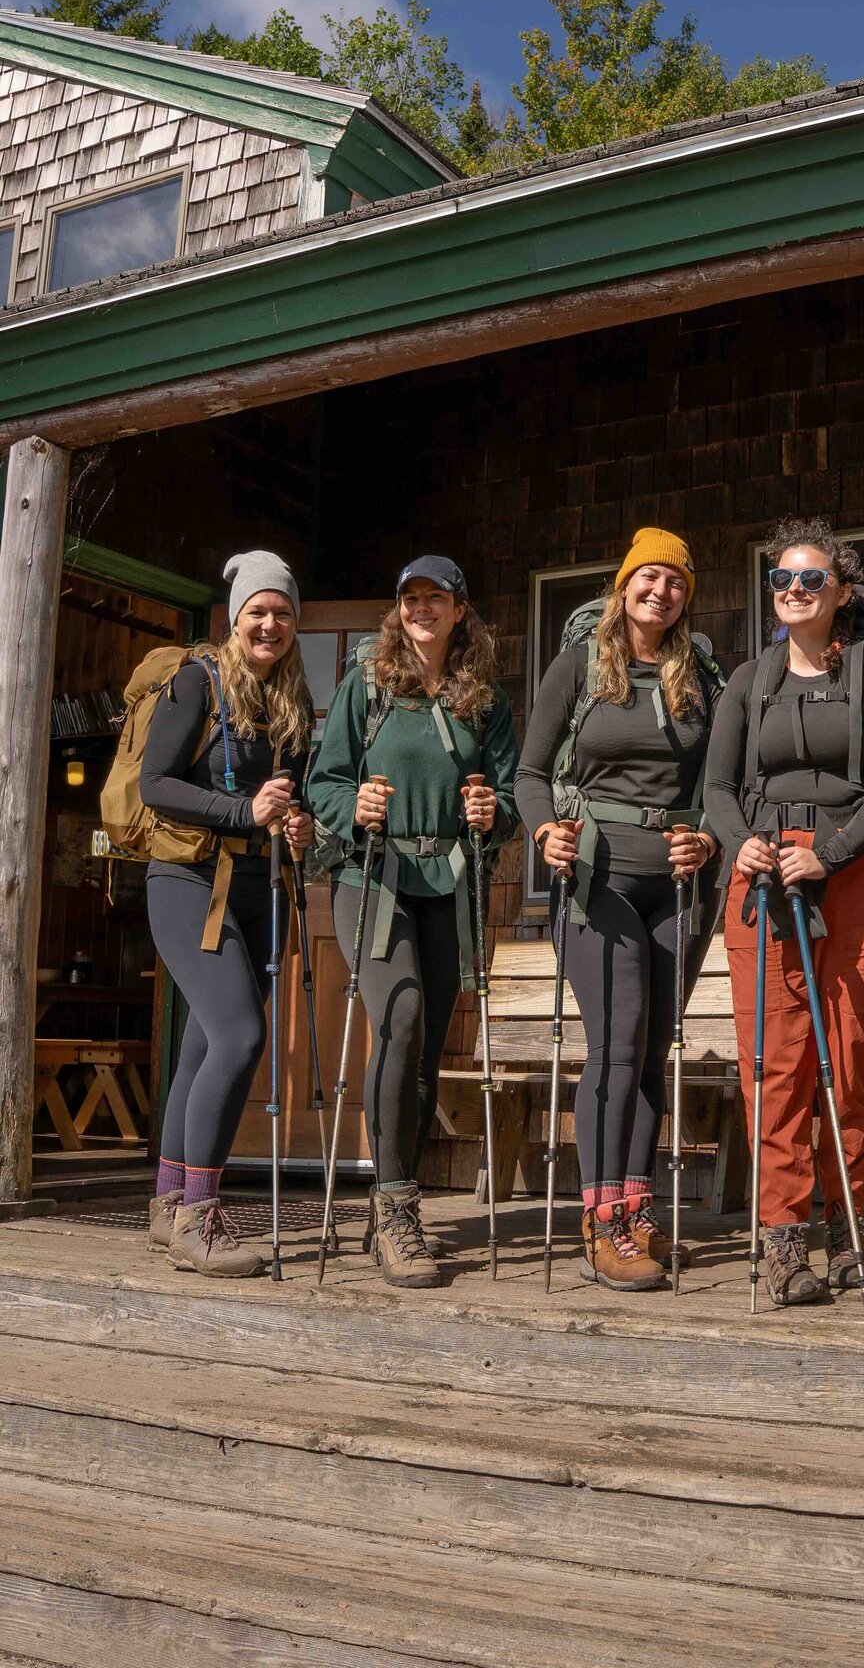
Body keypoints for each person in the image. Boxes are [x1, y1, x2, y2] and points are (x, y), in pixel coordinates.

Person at [705, 517, 864, 1307]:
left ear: (841, 592)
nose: (794, 591)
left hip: (854, 876)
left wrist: (827, 853)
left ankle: (846, 1228)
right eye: (782, 580)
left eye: (810, 580)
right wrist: (743, 845)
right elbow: (719, 789)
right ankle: (782, 1242)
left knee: (848, 1063)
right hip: (762, 881)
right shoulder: (748, 680)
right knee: (775, 1065)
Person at [516, 528, 724, 1291]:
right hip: (596, 879)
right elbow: (530, 772)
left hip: (676, 885)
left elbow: (721, 784)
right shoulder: (577, 666)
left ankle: (636, 1210)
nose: (661, 591)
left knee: (650, 1048)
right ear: (622, 585)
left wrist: (704, 837)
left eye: (676, 581)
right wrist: (546, 831)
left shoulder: (700, 676)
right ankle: (600, 1220)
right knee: (618, 1039)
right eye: (648, 577)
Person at [307, 555, 518, 1290]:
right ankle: (395, 1207)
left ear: (461, 609)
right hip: (373, 874)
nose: (421, 608)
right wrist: (352, 807)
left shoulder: (483, 699)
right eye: (410, 598)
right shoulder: (367, 683)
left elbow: (511, 794)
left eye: (435, 597)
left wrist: (495, 815)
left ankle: (396, 1200)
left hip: (446, 879)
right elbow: (323, 780)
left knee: (425, 1044)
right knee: (397, 1016)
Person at [144, 551, 314, 1278]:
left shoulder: (294, 701)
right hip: (186, 880)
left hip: (258, 886)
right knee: (241, 1037)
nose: (269, 624)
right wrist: (244, 811)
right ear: (234, 618)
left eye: (281, 612)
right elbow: (156, 783)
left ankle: (168, 1202)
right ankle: (200, 1219)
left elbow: (291, 798)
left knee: (202, 1046)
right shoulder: (196, 681)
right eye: (257, 612)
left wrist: (298, 824)